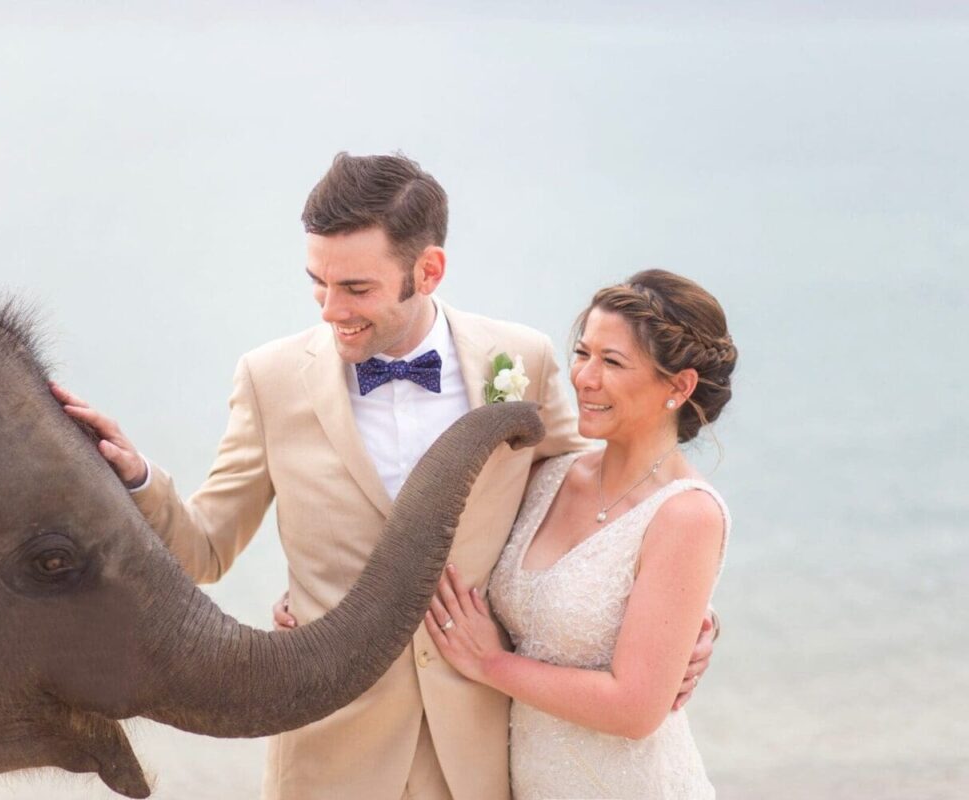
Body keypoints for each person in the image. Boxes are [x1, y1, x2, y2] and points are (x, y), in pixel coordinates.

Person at [52, 154, 718, 800]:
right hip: (328, 753)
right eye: (318, 281)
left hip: (481, 757)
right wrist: (137, 477)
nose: (329, 308)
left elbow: (589, 505)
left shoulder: (523, 360)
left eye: (356, 288)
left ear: (428, 270)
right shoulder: (270, 379)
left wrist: (681, 621)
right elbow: (203, 550)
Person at [424, 269, 736, 799]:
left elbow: (635, 709)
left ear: (679, 386)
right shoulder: (551, 475)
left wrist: (491, 663)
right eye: (583, 352)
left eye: (612, 362)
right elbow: (447, 550)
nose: (583, 378)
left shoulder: (687, 515)